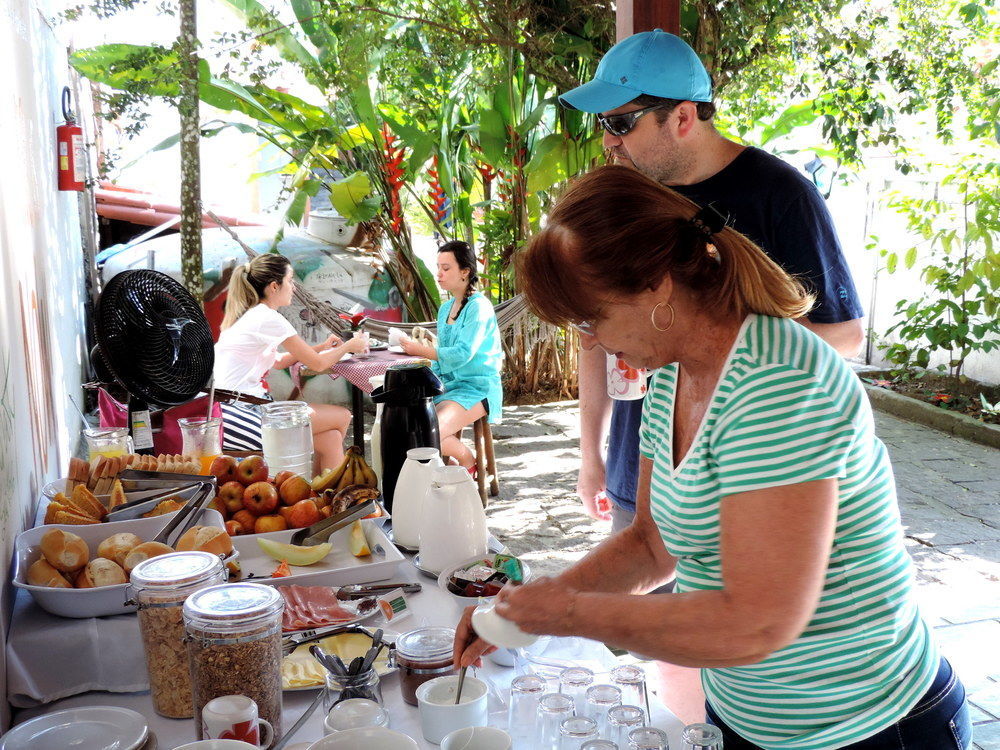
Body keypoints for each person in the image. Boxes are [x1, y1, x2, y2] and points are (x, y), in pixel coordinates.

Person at [455, 166, 970, 750]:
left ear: (655, 285)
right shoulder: (672, 374)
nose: (592, 340)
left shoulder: (777, 383)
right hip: (752, 716)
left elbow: (756, 622)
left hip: (863, 723)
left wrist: (570, 614)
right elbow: (652, 544)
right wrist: (523, 612)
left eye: (592, 316)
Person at [558, 29, 866, 721]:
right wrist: (591, 452)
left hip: (759, 453)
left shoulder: (778, 197)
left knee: (740, 621)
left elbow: (845, 332)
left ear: (683, 116)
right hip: (658, 441)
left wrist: (738, 367)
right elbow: (652, 547)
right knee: (674, 648)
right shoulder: (643, 211)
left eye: (618, 122)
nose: (608, 142)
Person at [214, 254, 369, 473]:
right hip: (238, 416)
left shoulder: (252, 315)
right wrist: (348, 347)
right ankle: (317, 490)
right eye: (290, 280)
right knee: (342, 416)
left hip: (235, 408)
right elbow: (315, 365)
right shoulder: (268, 318)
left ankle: (322, 497)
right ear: (274, 287)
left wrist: (322, 347)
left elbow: (277, 362)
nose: (294, 287)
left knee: (331, 438)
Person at [399, 240, 503, 470]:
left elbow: (462, 354)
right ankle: (454, 465)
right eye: (438, 267)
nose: (439, 274)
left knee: (428, 433)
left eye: (446, 269)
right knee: (409, 426)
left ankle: (467, 461)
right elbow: (443, 358)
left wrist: (420, 351)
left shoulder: (479, 307)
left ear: (465, 272)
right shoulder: (445, 308)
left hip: (479, 388)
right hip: (449, 386)